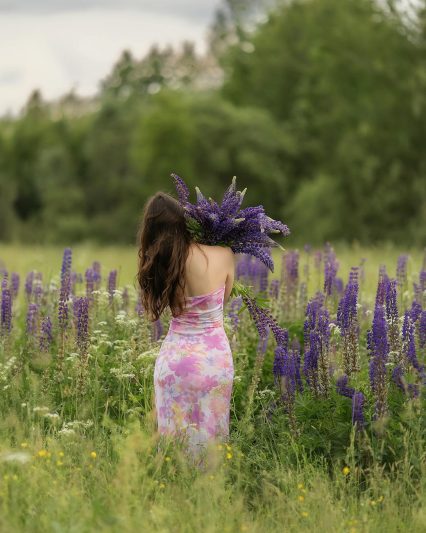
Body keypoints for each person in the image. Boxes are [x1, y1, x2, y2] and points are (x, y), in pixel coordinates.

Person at [136, 191, 236, 466]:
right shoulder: (223, 254)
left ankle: (174, 492)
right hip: (215, 361)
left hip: (175, 362)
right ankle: (209, 496)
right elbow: (223, 300)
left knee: (173, 445)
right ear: (185, 221)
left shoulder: (161, 264)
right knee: (212, 440)